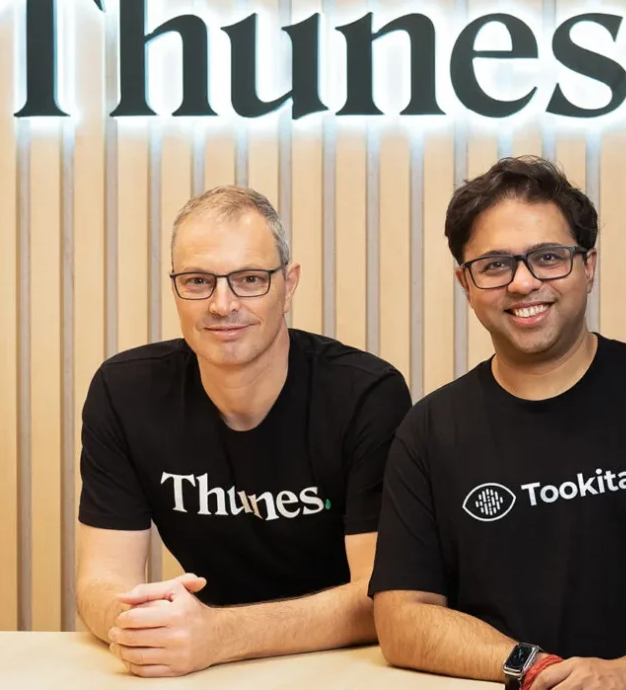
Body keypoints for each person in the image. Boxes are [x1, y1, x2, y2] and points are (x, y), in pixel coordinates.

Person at [367, 156, 626, 690]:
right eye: (495, 265)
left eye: (548, 257)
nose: (523, 283)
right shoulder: (430, 432)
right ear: (465, 283)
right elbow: (402, 617)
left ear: (588, 266)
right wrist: (541, 671)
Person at [76, 186, 412, 678]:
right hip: (204, 668)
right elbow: (101, 579)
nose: (222, 304)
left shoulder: (366, 395)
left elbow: (380, 596)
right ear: (175, 289)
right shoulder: (125, 392)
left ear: (289, 285)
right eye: (197, 281)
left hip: (345, 665)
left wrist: (221, 634)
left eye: (250, 279)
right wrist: (142, 626)